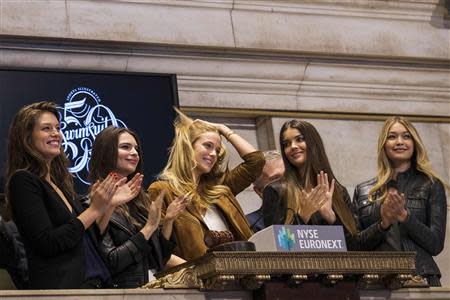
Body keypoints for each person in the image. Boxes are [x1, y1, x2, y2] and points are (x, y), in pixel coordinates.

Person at [4, 101, 123, 289]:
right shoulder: (23, 181)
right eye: (46, 128)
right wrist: (93, 210)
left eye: (58, 128)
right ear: (26, 137)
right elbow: (48, 243)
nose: (56, 133)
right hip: (64, 290)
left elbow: (88, 239)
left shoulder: (62, 185)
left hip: (97, 285)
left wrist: (108, 206)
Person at [147, 109, 265, 261]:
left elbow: (256, 161)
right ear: (188, 147)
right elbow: (158, 252)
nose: (214, 154)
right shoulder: (162, 190)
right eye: (208, 146)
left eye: (217, 149)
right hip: (196, 280)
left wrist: (223, 129)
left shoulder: (221, 188)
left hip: (240, 275)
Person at [353, 116, 448, 286]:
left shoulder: (431, 185)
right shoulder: (363, 190)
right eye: (392, 136)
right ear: (384, 144)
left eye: (406, 136)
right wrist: (383, 224)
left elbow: (435, 244)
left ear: (414, 143)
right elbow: (355, 246)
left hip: (421, 277)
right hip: (375, 281)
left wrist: (405, 218)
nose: (399, 142)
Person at [89, 126, 187, 288]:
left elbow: (159, 259)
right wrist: (148, 228)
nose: (135, 153)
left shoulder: (140, 201)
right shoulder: (91, 203)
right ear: (106, 153)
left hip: (152, 288)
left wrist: (168, 221)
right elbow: (111, 262)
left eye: (136, 148)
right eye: (125, 147)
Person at [262, 120, 359, 250]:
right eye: (286, 144)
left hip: (337, 269)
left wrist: (330, 216)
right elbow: (279, 249)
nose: (293, 146)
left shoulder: (338, 191)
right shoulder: (275, 191)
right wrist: (303, 216)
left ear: (314, 143)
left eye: (299, 139)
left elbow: (355, 248)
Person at [246, 150, 285, 232]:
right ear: (259, 191)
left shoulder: (310, 209)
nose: (286, 183)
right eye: (276, 179)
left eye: (287, 176)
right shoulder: (250, 224)